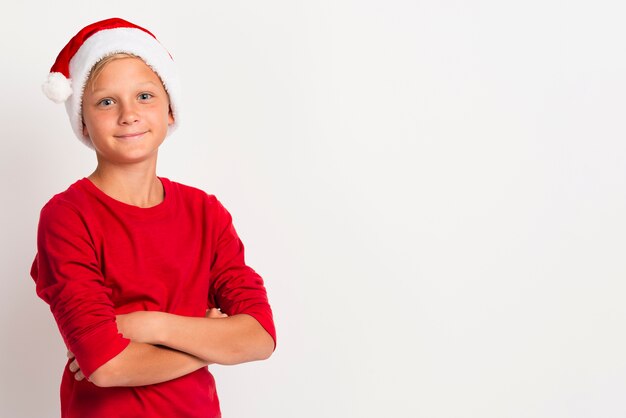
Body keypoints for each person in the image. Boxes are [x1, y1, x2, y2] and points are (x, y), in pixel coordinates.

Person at [30, 18, 276, 418]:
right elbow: (107, 367)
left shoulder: (205, 212)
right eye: (106, 101)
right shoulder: (66, 217)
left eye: (144, 96)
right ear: (84, 123)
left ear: (170, 111)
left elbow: (260, 336)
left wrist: (150, 326)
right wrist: (206, 338)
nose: (129, 114)